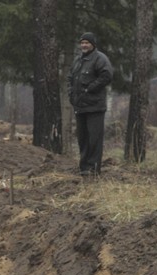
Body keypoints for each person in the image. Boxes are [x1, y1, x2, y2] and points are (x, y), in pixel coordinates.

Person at [67, 32, 113, 177]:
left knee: (94, 139)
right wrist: (71, 94)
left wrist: (91, 88)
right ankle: (84, 168)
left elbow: (107, 76)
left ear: (93, 44)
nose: (84, 45)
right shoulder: (78, 60)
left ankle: (94, 170)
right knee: (82, 139)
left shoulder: (100, 58)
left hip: (95, 107)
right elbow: (70, 78)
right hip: (80, 106)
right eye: (82, 43)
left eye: (87, 42)